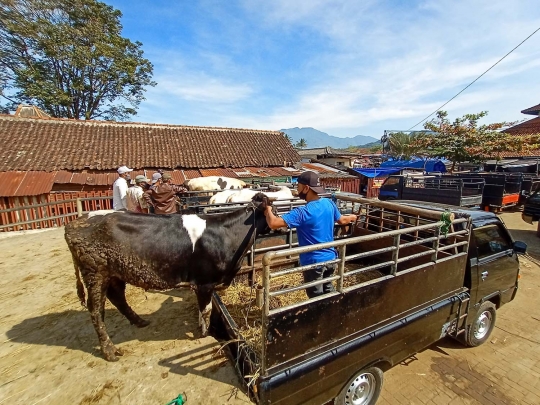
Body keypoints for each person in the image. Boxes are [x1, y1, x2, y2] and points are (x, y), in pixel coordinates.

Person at [264, 171, 357, 298]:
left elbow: (273, 223)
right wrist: (352, 217)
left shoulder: (303, 212)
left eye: (298, 186)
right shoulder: (328, 203)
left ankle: (322, 316)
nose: (297, 189)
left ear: (306, 188)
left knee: (316, 298)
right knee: (329, 291)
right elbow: (342, 220)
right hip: (331, 258)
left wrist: (268, 209)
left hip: (313, 263)